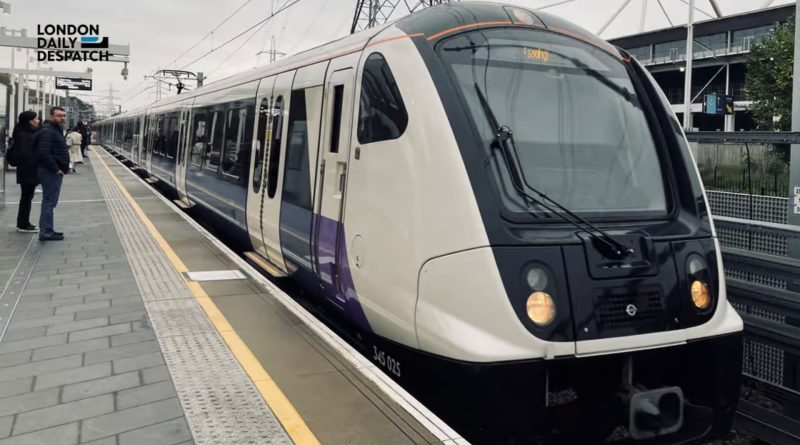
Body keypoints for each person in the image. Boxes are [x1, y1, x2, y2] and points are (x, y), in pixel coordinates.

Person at [34, 107, 69, 241]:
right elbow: (43, 152)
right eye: (59, 116)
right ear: (51, 116)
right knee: (49, 202)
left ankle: (47, 229)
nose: (62, 118)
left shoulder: (53, 130)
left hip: (51, 171)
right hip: (50, 172)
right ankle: (46, 231)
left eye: (64, 116)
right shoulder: (49, 131)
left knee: (49, 202)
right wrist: (56, 168)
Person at [9, 111, 41, 232]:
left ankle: (24, 223)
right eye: (36, 119)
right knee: (26, 198)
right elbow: (25, 154)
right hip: (28, 171)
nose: (38, 121)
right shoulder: (24, 135)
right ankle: (23, 224)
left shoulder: (23, 132)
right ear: (29, 121)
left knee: (27, 197)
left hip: (27, 171)